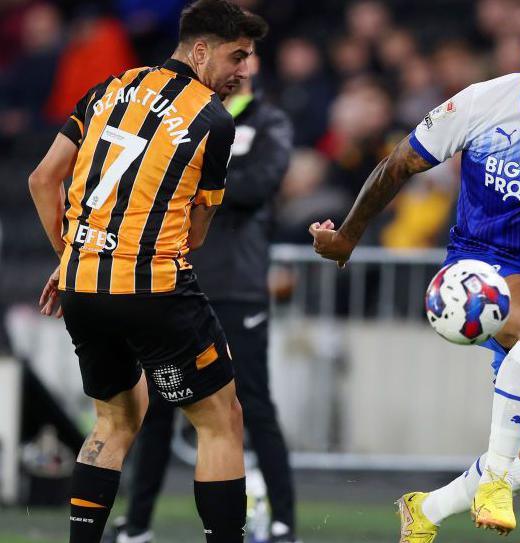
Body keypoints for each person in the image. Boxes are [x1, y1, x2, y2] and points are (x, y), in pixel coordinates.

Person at [309, 7, 520, 542]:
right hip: (475, 267)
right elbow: (398, 163)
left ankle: (426, 509)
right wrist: (349, 236)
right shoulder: (480, 103)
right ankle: (493, 481)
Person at [26, 1, 267, 541]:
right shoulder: (213, 119)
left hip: (82, 283)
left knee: (115, 419)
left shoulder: (107, 88)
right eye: (237, 56)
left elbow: (43, 180)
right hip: (153, 287)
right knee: (220, 420)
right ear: (200, 51)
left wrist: (72, 257)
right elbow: (196, 236)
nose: (243, 71)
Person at [111, 54, 298, 543]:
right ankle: (137, 523)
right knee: (155, 407)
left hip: (238, 287)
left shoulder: (269, 122)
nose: (240, 68)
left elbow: (258, 186)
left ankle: (283, 524)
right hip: (175, 281)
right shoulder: (185, 116)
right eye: (234, 56)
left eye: (248, 57)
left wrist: (188, 174)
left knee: (253, 404)